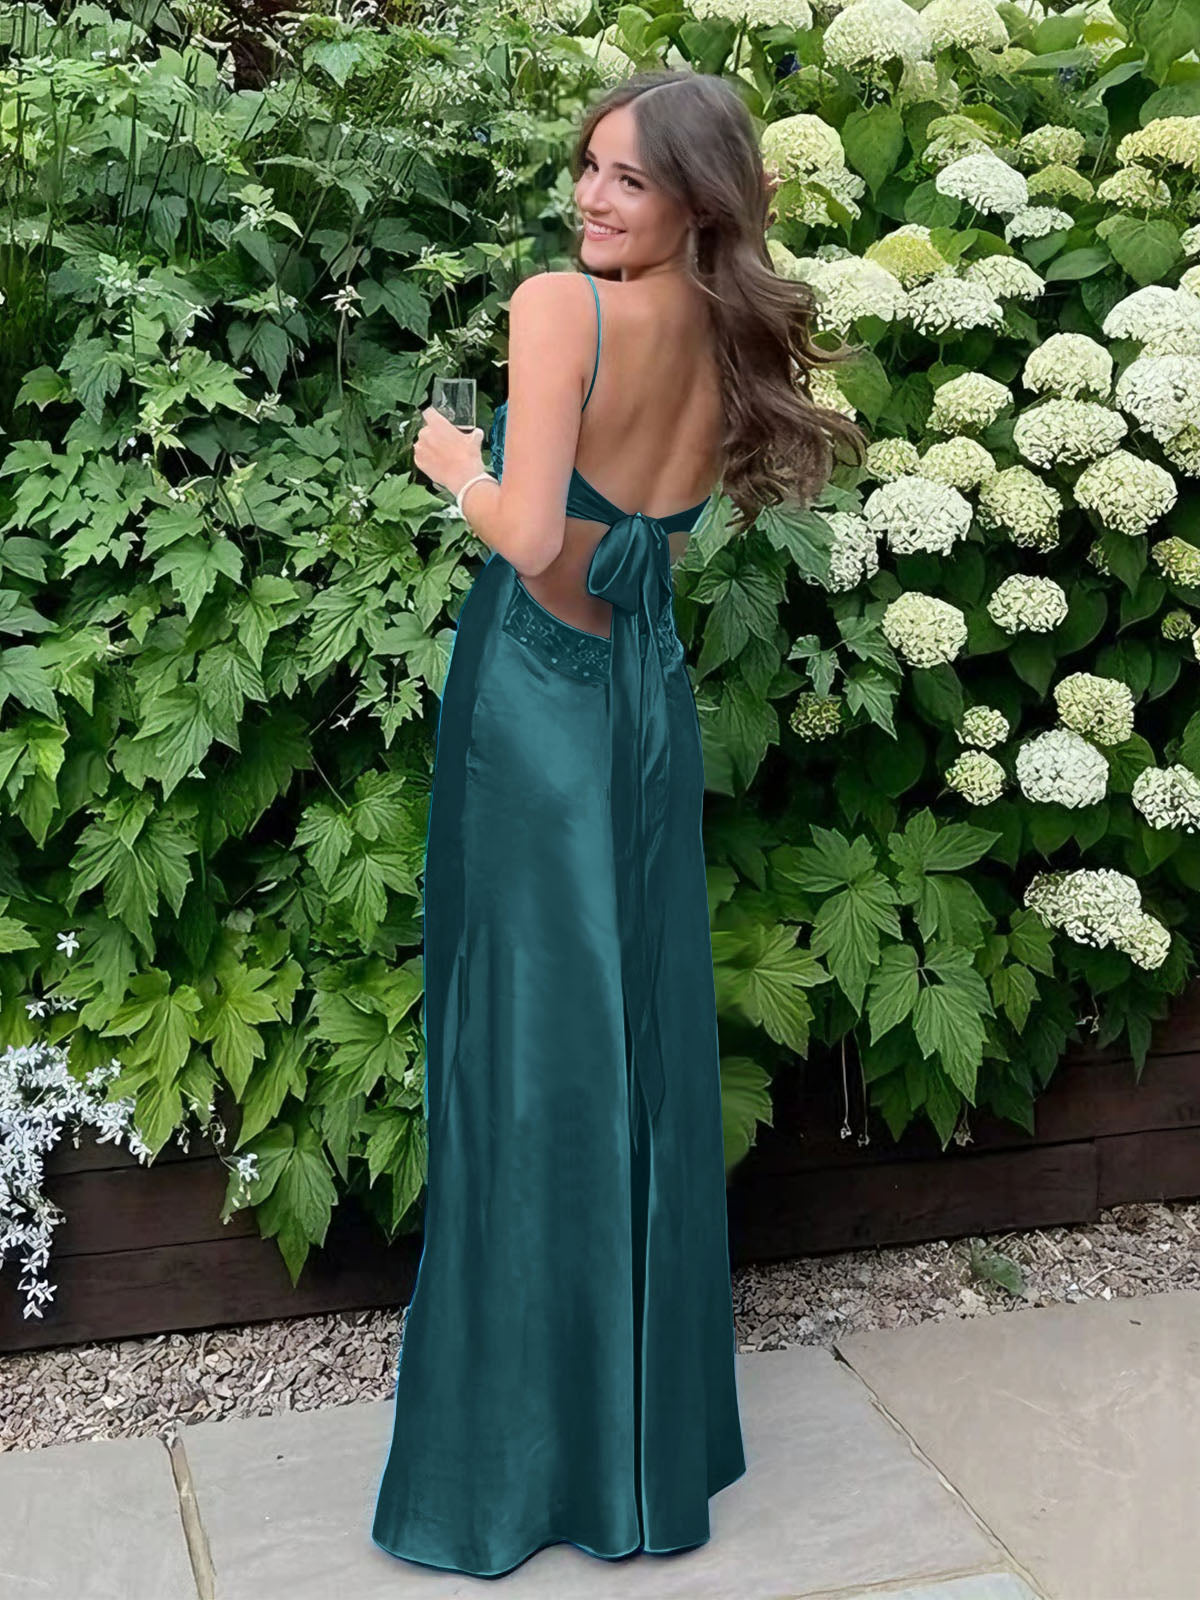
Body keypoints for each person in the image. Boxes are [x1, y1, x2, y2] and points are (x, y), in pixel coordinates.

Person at [370, 67, 861, 1581]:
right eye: (588, 167)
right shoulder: (721, 330)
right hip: (643, 699)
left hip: (535, 702)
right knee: (634, 1044)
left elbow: (530, 538)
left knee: (528, 1055)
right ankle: (636, 1450)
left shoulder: (557, 308)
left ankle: (516, 1467)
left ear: (697, 200)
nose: (592, 196)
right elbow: (656, 527)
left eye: (629, 177)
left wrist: (456, 467)